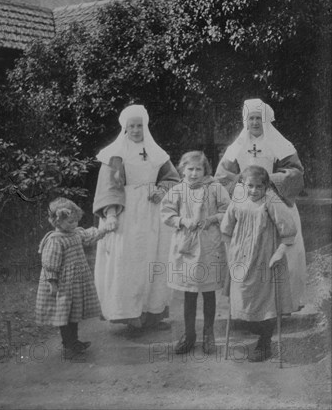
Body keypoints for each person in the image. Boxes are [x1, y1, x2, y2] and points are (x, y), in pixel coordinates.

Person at [93, 104, 180, 330]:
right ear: (124, 127)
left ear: (145, 126)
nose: (135, 130)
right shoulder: (116, 153)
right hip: (127, 213)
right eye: (131, 126)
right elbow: (109, 186)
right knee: (128, 262)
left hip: (153, 214)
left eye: (139, 125)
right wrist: (111, 213)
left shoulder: (157, 152)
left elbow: (172, 178)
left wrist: (161, 190)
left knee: (154, 260)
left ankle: (152, 314)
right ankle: (130, 315)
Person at [215, 98, 306, 311]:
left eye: (258, 118)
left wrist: (269, 181)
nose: (255, 122)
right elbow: (222, 175)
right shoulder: (236, 147)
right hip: (246, 202)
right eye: (251, 118)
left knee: (279, 253)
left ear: (265, 120)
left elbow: (295, 174)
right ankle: (247, 306)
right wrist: (242, 183)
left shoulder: (280, 145)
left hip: (275, 200)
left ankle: (283, 304)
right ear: (245, 121)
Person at [220, 165, 298, 362]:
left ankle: (265, 343)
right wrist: (230, 253)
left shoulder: (271, 199)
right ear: (242, 184)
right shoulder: (238, 199)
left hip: (265, 257)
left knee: (266, 302)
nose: (254, 190)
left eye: (258, 187)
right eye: (250, 186)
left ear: (266, 187)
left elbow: (288, 230)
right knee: (243, 301)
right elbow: (226, 229)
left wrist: (280, 253)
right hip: (240, 258)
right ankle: (258, 336)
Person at [161, 151, 230, 354]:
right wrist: (182, 221)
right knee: (189, 293)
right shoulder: (178, 189)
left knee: (208, 292)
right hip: (186, 245)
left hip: (209, 243)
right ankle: (189, 334)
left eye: (198, 169)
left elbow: (228, 209)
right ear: (183, 169)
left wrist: (212, 219)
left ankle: (209, 334)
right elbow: (166, 212)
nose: (193, 173)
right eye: (189, 169)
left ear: (205, 170)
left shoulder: (215, 187)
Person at [35, 197, 112, 360]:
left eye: (75, 221)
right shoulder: (55, 240)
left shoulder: (75, 234)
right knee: (65, 314)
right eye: (69, 222)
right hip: (63, 283)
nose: (74, 225)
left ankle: (74, 341)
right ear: (57, 222)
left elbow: (89, 236)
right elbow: (50, 263)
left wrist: (104, 230)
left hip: (76, 282)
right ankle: (68, 345)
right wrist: (52, 282)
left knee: (74, 313)